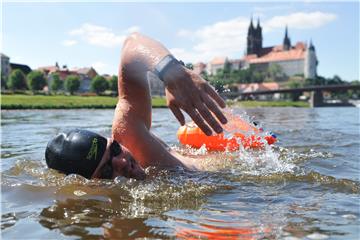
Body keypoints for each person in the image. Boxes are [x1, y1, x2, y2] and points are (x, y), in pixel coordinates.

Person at [45, 33, 228, 180]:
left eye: (115, 149)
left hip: (224, 167)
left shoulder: (129, 135)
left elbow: (132, 44)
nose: (122, 162)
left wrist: (172, 74)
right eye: (107, 170)